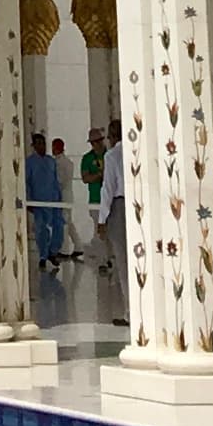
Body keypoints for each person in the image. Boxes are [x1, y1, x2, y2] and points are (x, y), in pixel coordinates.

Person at [96, 123, 128, 320]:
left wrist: (102, 220)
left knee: (123, 261)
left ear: (112, 137)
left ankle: (130, 312)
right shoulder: (136, 151)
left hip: (119, 206)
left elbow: (108, 189)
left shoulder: (112, 156)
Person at [27, 133, 66, 276]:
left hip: (53, 199)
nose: (41, 146)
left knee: (59, 226)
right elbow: (27, 182)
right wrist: (28, 200)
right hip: (38, 201)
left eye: (43, 143)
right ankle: (43, 256)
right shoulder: (30, 162)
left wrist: (59, 198)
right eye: (38, 143)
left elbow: (55, 181)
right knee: (41, 229)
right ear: (34, 146)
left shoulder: (51, 161)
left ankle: (53, 252)